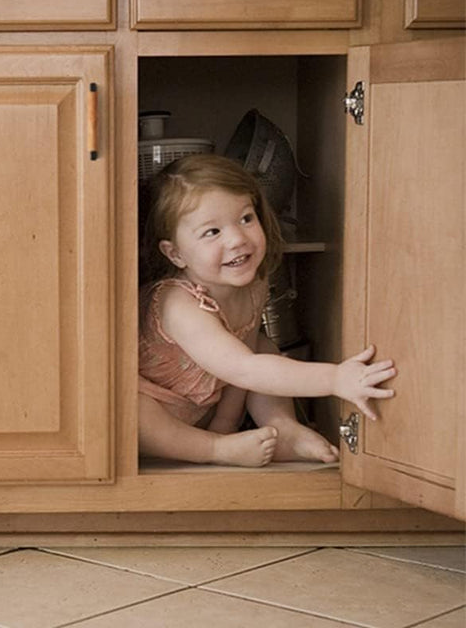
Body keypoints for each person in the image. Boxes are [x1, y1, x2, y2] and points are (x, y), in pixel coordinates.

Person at [138, 153, 396, 468]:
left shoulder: (254, 286)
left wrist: (226, 423)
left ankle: (283, 429)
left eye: (246, 218)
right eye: (212, 232)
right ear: (175, 253)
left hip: (204, 405)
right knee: (129, 410)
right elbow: (242, 369)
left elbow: (244, 359)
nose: (237, 239)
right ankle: (214, 450)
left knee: (264, 346)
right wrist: (335, 379)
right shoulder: (178, 305)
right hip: (160, 414)